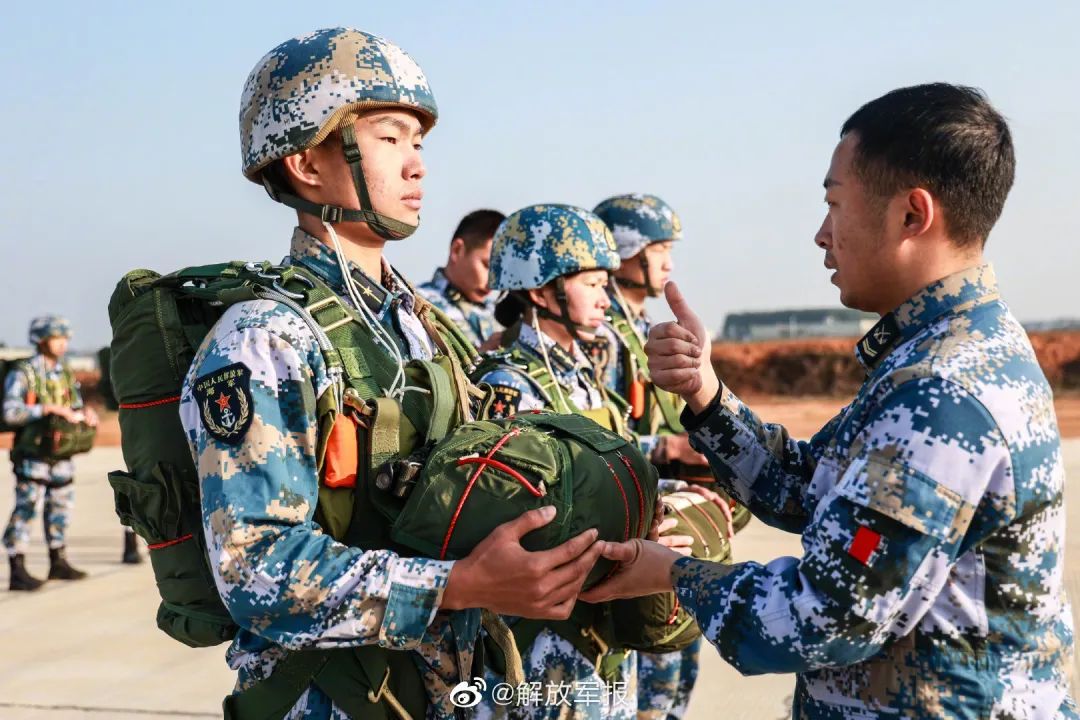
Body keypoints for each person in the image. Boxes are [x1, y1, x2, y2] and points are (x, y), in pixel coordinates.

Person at [582, 83, 1078, 718]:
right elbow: (810, 489)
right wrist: (705, 394)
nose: (822, 235)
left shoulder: (941, 389)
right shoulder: (941, 353)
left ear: (911, 214)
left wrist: (678, 574)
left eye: (834, 203)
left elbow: (827, 616)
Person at [180, 28, 602, 719]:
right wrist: (454, 586)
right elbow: (255, 570)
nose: (417, 166)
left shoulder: (417, 326)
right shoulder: (266, 340)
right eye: (389, 138)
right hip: (333, 698)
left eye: (419, 143)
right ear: (307, 163)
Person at [591, 193, 735, 720]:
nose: (668, 261)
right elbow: (597, 434)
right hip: (638, 526)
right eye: (659, 248)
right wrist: (666, 449)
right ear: (625, 249)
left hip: (675, 516)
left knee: (676, 683)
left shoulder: (642, 326)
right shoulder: (599, 336)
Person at [3, 315, 96, 590]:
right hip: (33, 455)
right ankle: (16, 565)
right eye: (57, 338)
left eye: (65, 338)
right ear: (42, 340)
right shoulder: (24, 373)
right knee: (26, 507)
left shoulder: (64, 372)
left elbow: (75, 404)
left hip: (60, 454)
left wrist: (84, 413)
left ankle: (58, 560)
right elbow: (10, 412)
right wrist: (45, 409)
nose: (63, 343)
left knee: (60, 506)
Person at [417, 208, 505, 349]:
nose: (494, 282)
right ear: (457, 250)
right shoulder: (418, 306)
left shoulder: (498, 315)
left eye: (502, 271)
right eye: (488, 266)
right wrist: (483, 359)